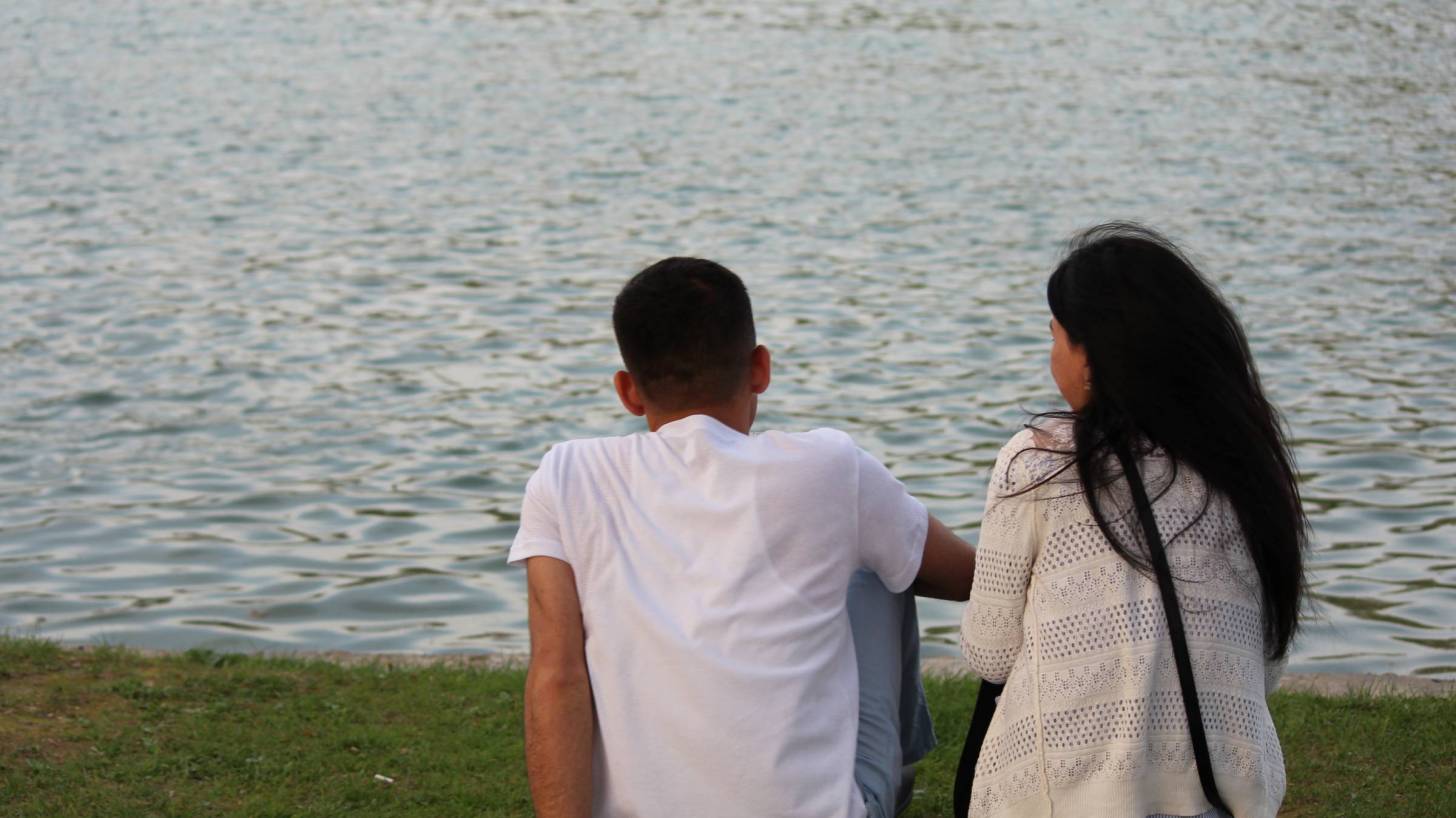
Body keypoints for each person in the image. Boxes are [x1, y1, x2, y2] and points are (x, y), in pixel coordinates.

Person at [510, 257, 976, 818]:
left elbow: (556, 677)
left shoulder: (565, 477)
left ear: (628, 392)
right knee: (879, 564)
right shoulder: (830, 467)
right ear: (760, 368)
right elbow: (973, 577)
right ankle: (894, 779)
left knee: (872, 542)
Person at [960, 224, 1307, 818]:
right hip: (1224, 799)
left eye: (1055, 338)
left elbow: (989, 654)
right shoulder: (1247, 469)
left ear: (1090, 357)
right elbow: (1261, 664)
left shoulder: (1039, 462)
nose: (1052, 357)